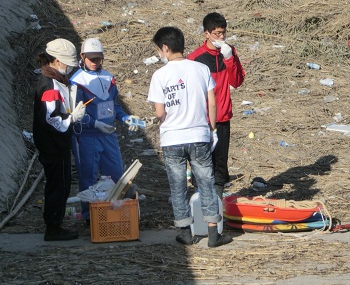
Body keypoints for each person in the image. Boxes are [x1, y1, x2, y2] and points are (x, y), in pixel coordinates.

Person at [148, 26, 231, 248]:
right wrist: (212, 129)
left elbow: (159, 113)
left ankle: (185, 233)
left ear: (165, 47)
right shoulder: (201, 68)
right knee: (206, 183)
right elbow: (212, 103)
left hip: (172, 139)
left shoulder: (159, 75)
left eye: (159, 50)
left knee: (178, 187)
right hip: (199, 135)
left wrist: (167, 118)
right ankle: (213, 233)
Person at [70, 37, 141, 224]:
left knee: (117, 175)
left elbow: (113, 105)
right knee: (88, 177)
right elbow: (75, 113)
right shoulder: (77, 81)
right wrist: (94, 124)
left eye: (98, 58)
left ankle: (115, 212)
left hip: (108, 134)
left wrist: (125, 117)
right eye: (91, 58)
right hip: (87, 136)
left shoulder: (108, 78)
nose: (94, 62)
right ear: (82, 56)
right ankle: (90, 218)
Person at [187, 12, 245, 199]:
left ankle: (217, 204)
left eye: (223, 33)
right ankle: (201, 202)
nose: (221, 37)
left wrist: (229, 59)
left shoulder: (229, 51)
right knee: (201, 164)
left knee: (220, 165)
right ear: (207, 34)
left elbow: (236, 81)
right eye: (217, 33)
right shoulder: (195, 58)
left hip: (222, 117)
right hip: (201, 120)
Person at [33, 38, 86, 241]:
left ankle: (54, 223)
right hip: (53, 145)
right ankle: (53, 227)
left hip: (56, 143)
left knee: (60, 183)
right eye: (68, 64)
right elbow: (50, 118)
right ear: (56, 61)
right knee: (59, 185)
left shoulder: (55, 80)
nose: (70, 68)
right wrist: (71, 118)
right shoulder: (49, 85)